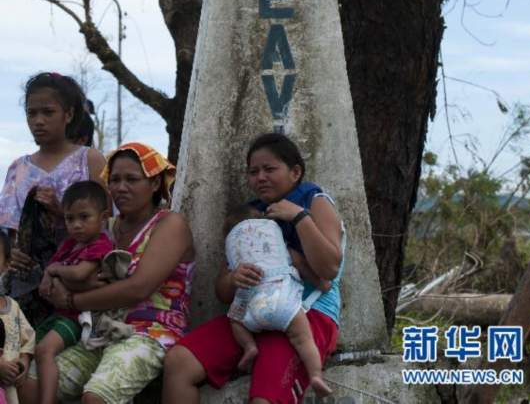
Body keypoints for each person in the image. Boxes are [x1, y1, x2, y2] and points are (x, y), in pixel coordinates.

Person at [162, 132, 344, 404]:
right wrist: (234, 278)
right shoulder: (251, 215)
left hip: (306, 314)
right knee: (179, 362)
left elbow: (329, 269)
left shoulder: (313, 200)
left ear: (295, 172)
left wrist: (298, 217)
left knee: (264, 397)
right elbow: (223, 292)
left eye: (270, 169)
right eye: (253, 172)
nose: (260, 177)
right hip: (253, 313)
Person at [18, 142, 195, 404]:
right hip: (98, 331)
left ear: (155, 183)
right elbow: (67, 267)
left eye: (131, 179)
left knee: (95, 397)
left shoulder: (169, 224)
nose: (120, 187)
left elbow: (138, 289)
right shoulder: (104, 227)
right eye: (114, 180)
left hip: (149, 332)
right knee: (28, 385)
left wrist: (72, 300)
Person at [0, 73, 106, 325]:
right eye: (32, 113)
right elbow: (9, 231)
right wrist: (13, 253)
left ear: (68, 114)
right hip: (26, 286)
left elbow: (108, 221)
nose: (38, 121)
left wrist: (62, 211)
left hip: (79, 281)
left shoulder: (89, 160)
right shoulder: (18, 169)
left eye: (48, 112)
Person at [224, 206, 332, 395]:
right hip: (281, 301)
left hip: (249, 307)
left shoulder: (236, 254)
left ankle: (249, 346)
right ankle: (316, 375)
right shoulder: (281, 247)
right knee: (304, 340)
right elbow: (300, 264)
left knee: (235, 320)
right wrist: (321, 283)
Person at [35, 181, 113, 404]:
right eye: (70, 219)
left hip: (77, 318)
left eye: (84, 217)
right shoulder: (69, 245)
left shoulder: (100, 245)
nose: (76, 225)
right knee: (31, 349)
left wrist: (54, 270)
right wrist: (49, 274)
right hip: (58, 314)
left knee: (44, 351)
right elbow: (48, 281)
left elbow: (79, 274)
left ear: (103, 217)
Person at [0, 250, 35, 404]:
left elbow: (28, 338)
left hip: (10, 389)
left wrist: (24, 361)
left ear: (6, 264)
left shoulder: (13, 307)